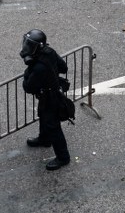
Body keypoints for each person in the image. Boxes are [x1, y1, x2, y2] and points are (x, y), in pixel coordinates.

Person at [20, 29, 71, 170]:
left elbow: (28, 87)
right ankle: (44, 139)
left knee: (53, 127)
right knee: (43, 116)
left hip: (50, 98)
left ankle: (63, 157)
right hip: (49, 94)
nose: (26, 48)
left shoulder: (38, 68)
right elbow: (63, 67)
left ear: (38, 47)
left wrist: (27, 72)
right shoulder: (49, 52)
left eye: (30, 45)